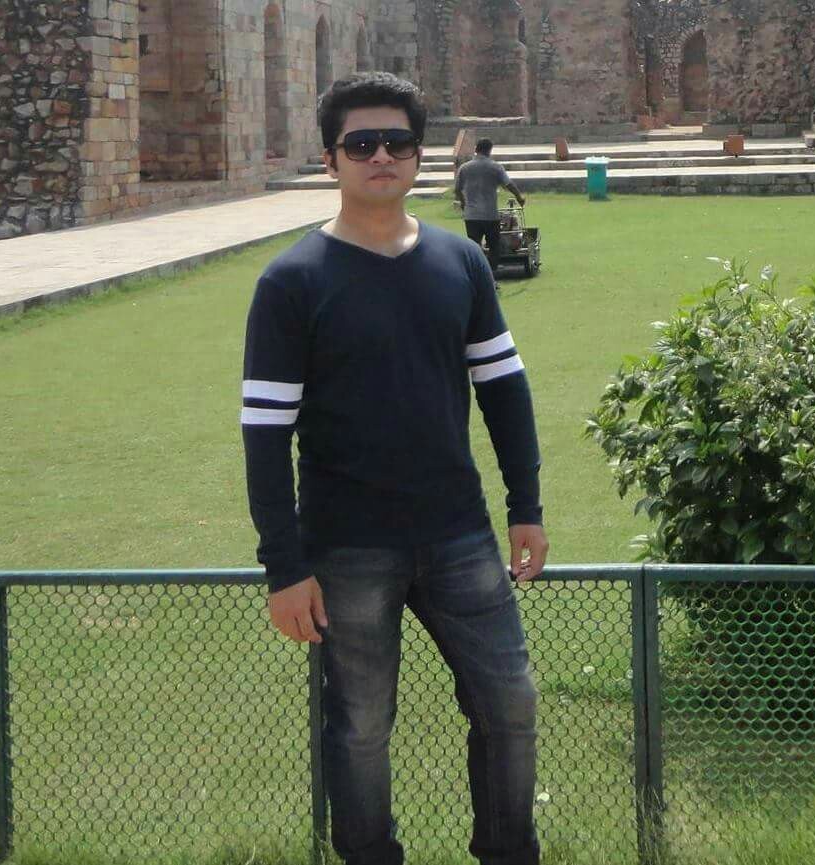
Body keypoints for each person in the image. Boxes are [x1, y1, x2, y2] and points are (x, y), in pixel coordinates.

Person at [242, 71, 548, 865]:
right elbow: (265, 434)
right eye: (361, 143)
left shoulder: (460, 262)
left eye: (397, 142)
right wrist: (284, 566)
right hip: (347, 546)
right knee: (361, 725)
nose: (381, 156)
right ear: (330, 159)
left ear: (419, 155)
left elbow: (503, 388)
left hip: (458, 533)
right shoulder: (292, 281)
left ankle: (508, 852)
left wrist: (525, 504)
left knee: (510, 703)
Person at [454, 138, 526, 281]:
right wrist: (519, 197)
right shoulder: (495, 167)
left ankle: (477, 275)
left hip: (472, 215)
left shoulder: (464, 167)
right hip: (490, 215)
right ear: (489, 150)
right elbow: (509, 184)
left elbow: (457, 190)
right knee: (494, 246)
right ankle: (491, 275)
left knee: (474, 246)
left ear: (476, 149)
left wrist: (464, 203)